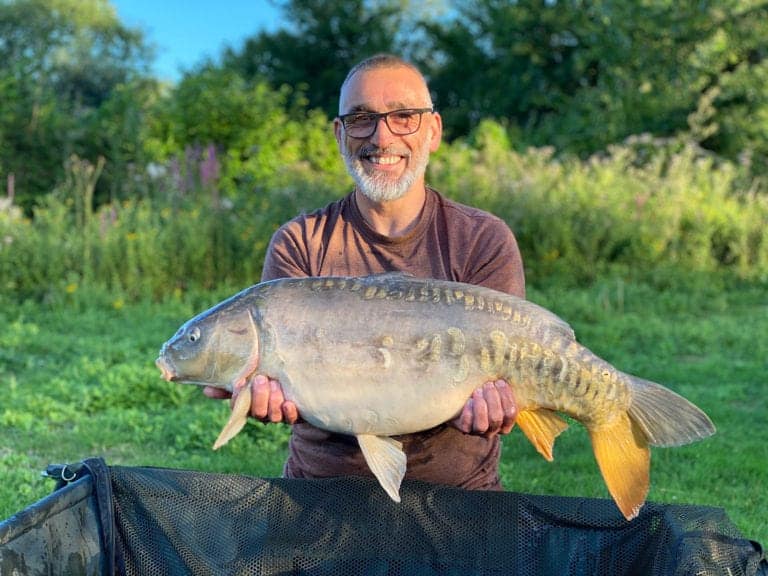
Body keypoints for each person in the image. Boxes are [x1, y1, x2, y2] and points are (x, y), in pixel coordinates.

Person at [205, 53, 525, 492]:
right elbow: (270, 377)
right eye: (361, 118)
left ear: (433, 131)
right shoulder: (301, 241)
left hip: (461, 492)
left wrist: (502, 403)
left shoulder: (483, 239)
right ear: (339, 134)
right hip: (319, 490)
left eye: (404, 117)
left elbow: (510, 373)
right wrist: (259, 393)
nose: (381, 135)